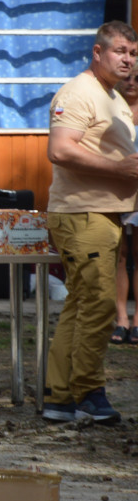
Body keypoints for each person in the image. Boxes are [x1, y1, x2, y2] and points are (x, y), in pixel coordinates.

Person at [41, 21, 138, 425]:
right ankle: (88, 391)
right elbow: (60, 150)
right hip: (82, 214)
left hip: (102, 214)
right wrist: (119, 169)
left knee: (81, 304)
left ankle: (59, 396)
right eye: (119, 51)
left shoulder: (111, 95)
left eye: (133, 54)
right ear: (97, 53)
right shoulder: (80, 91)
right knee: (98, 303)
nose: (127, 60)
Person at [112, 68, 138, 345]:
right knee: (119, 255)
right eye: (127, 76)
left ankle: (137, 320)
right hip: (115, 190)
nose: (131, 82)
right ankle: (120, 318)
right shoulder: (111, 108)